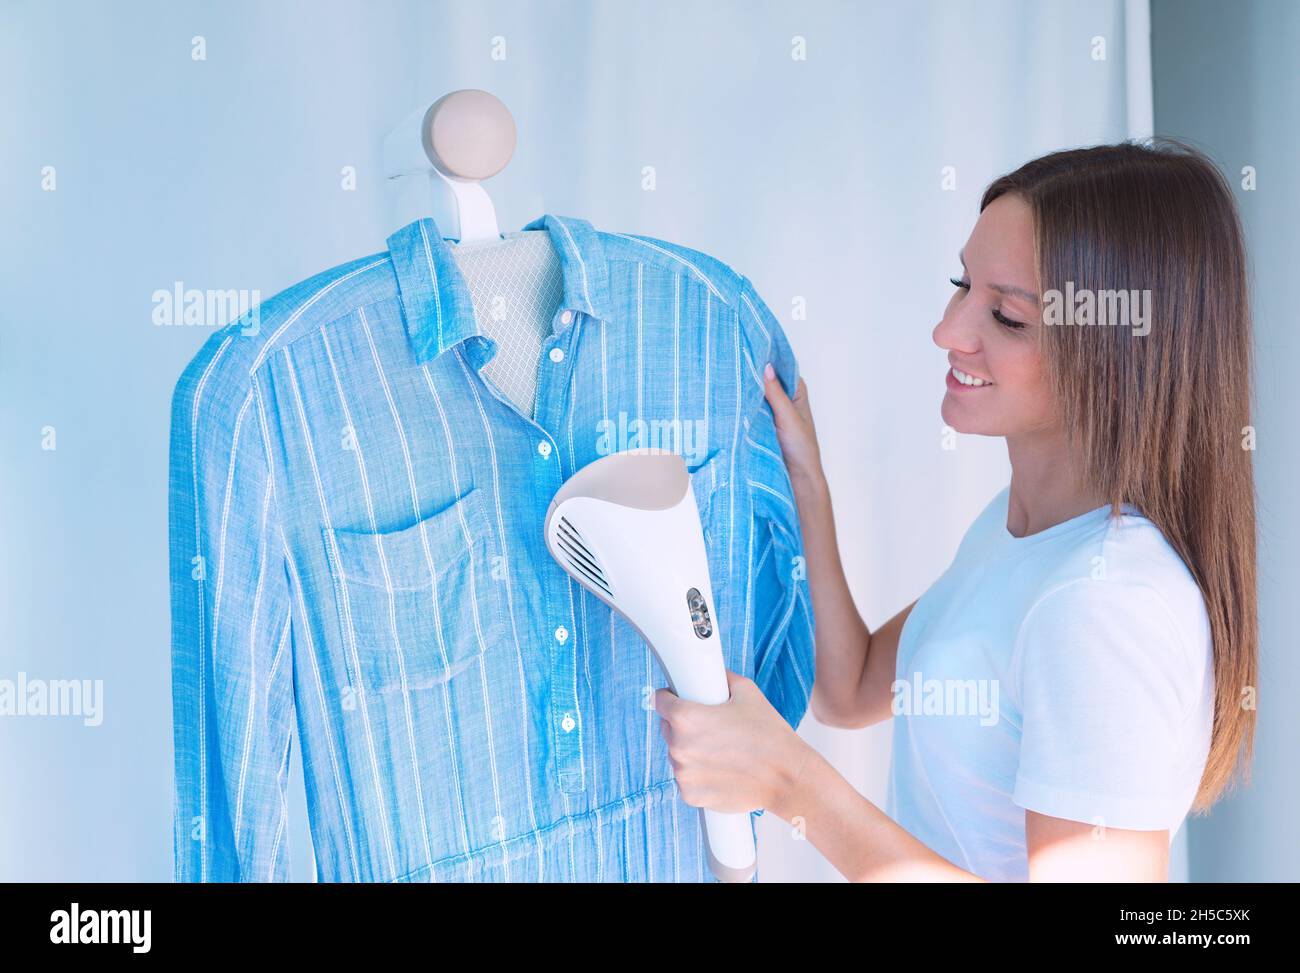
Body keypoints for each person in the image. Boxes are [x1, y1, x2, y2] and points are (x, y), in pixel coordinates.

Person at [654, 140, 1258, 882]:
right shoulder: (1019, 526)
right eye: (961, 284)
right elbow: (850, 686)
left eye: (1005, 315)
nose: (948, 331)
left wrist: (788, 781)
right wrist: (807, 481)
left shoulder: (1107, 605)